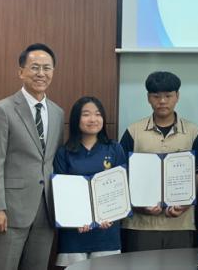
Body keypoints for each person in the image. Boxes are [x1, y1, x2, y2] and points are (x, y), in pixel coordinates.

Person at [0, 43, 65, 270]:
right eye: (35, 67)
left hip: (47, 209)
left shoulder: (58, 113)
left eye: (47, 68)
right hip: (10, 210)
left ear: (53, 72)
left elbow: (53, 162)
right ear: (21, 72)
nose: (41, 73)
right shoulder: (2, 110)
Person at [120, 71, 198, 251]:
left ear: (177, 96)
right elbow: (122, 174)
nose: (162, 101)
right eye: (156, 96)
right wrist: (140, 206)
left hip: (180, 223)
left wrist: (185, 203)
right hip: (140, 224)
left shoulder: (193, 132)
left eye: (168, 96)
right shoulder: (133, 131)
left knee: (178, 264)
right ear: (148, 98)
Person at [53, 96, 127, 267]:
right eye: (86, 114)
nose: (93, 119)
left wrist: (111, 214)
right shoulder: (64, 153)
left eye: (98, 114)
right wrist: (76, 219)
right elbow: (61, 194)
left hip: (106, 233)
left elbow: (122, 189)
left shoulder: (114, 149)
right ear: (76, 119)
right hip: (74, 234)